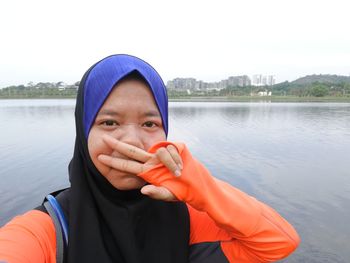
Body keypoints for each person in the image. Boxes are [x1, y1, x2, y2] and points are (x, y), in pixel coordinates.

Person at [0, 54, 300, 263]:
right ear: (83, 131)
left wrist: (202, 188)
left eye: (149, 124)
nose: (132, 140)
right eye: (109, 122)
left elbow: (279, 242)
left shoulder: (187, 218)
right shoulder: (48, 229)